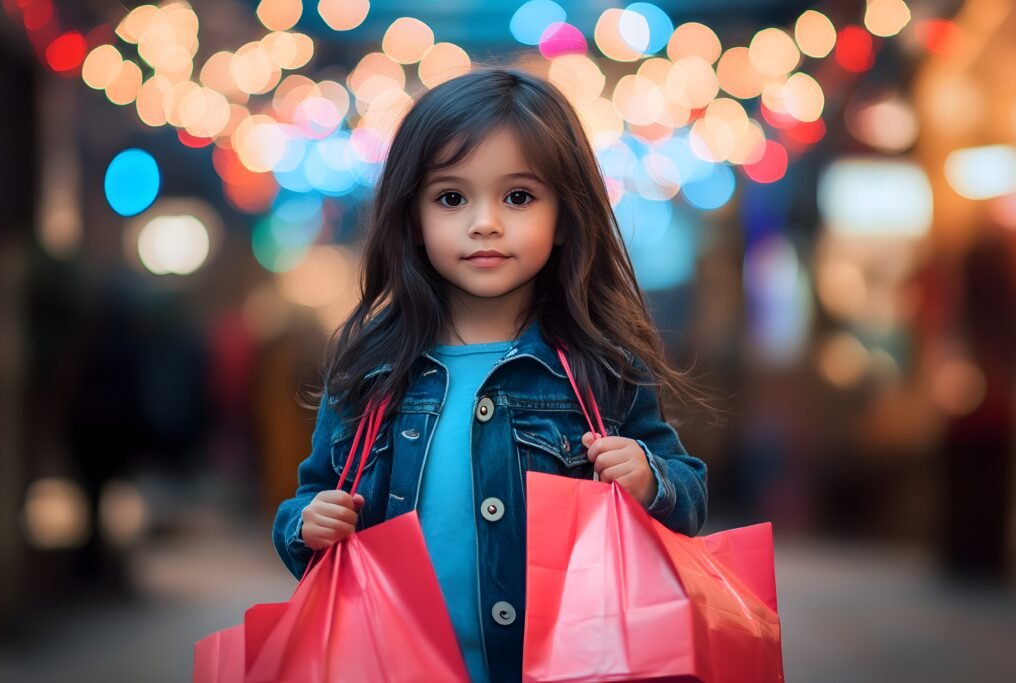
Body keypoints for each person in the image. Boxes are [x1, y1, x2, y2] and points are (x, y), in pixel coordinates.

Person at [273, 66, 709, 682]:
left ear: (565, 216)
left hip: (565, 667)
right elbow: (307, 500)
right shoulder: (372, 371)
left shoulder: (599, 366)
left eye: (519, 197)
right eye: (452, 198)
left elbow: (688, 496)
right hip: (394, 664)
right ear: (412, 217)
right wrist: (305, 525)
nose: (485, 222)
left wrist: (649, 480)